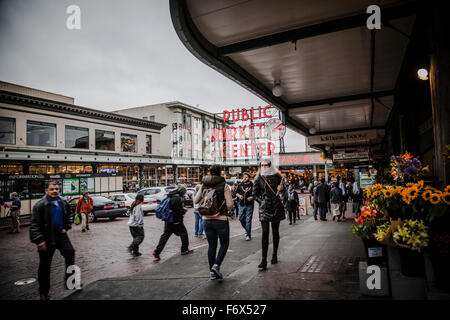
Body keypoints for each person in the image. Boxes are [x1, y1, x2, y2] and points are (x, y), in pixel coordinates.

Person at [29, 181, 75, 300]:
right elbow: (34, 225)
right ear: (46, 191)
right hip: (46, 238)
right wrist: (39, 240)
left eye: (56, 189)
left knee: (70, 252)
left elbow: (70, 214)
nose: (55, 191)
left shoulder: (63, 202)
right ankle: (44, 291)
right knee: (45, 265)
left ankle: (70, 282)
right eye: (52, 189)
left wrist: (67, 227)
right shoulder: (40, 205)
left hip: (61, 235)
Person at [194, 165, 233, 280]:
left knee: (211, 245)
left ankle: (212, 272)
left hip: (207, 219)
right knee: (224, 244)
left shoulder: (203, 185)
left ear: (209, 172)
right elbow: (230, 204)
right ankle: (216, 266)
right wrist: (223, 210)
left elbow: (196, 201)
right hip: (221, 220)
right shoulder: (224, 185)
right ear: (220, 172)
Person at [253, 158, 286, 270]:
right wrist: (261, 201)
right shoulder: (258, 178)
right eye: (262, 165)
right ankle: (263, 259)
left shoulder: (277, 177)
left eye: (266, 165)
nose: (264, 167)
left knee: (275, 232)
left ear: (270, 165)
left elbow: (284, 191)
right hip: (264, 209)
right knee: (265, 233)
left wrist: (281, 189)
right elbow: (255, 194)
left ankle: (274, 255)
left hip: (276, 207)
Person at [152, 184, 193, 261]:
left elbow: (172, 207)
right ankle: (184, 250)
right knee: (184, 234)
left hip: (169, 220)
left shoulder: (171, 196)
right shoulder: (177, 198)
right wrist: (184, 210)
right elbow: (178, 211)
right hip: (176, 220)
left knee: (165, 236)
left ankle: (157, 251)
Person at [236, 172, 255, 241]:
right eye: (243, 177)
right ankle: (247, 230)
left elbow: (256, 194)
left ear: (249, 178)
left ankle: (247, 235)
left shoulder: (252, 185)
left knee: (248, 220)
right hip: (241, 205)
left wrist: (252, 197)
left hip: (249, 205)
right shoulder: (240, 184)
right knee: (240, 218)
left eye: (246, 177)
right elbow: (236, 193)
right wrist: (239, 195)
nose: (244, 178)